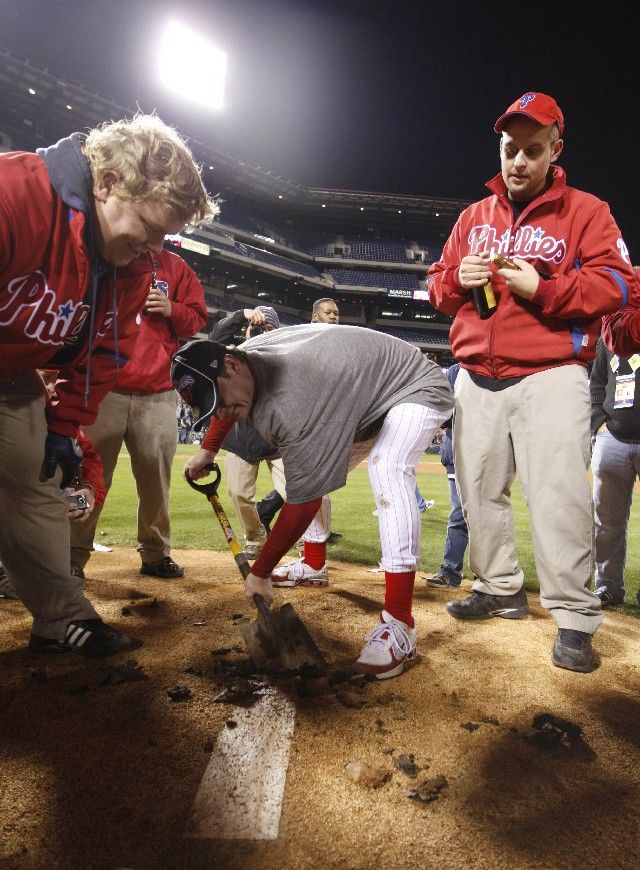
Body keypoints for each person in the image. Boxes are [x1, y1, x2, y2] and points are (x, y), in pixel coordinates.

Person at [428, 91, 634, 673]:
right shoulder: (473, 217)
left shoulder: (588, 212)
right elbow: (437, 288)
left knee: (558, 500)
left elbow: (617, 288)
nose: (518, 162)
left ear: (555, 151)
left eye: (532, 150)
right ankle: (500, 587)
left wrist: (540, 289)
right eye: (510, 149)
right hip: (475, 375)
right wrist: (455, 280)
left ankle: (573, 617)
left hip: (551, 374)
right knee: (477, 493)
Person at [0, 113, 214, 657]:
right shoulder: (14, 194)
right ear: (108, 183)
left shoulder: (130, 264)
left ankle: (58, 619)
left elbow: (102, 352)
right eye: (150, 227)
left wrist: (65, 425)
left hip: (10, 374)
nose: (155, 249)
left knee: (34, 481)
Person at [178, 326, 453, 679]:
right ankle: (313, 566)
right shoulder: (241, 361)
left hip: (412, 384)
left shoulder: (294, 397)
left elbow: (304, 501)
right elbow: (228, 408)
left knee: (388, 468)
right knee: (307, 471)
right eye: (215, 407)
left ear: (231, 365)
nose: (226, 411)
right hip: (359, 399)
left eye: (222, 399)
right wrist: (208, 448)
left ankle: (400, 623)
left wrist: (260, 571)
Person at [69, 248, 208, 580]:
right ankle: (71, 554)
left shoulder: (177, 267)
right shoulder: (112, 256)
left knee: (155, 482)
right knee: (89, 477)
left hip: (158, 392)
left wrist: (172, 308)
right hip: (104, 387)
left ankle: (156, 552)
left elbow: (198, 318)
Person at [269, 297, 341, 586]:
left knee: (315, 487)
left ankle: (314, 563)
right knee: (315, 489)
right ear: (314, 317)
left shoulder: (345, 344)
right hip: (313, 424)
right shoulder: (302, 342)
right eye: (328, 312)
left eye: (337, 313)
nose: (334, 316)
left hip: (332, 423)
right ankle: (314, 562)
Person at [208, 305, 286, 559]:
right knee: (239, 493)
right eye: (258, 328)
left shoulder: (284, 356)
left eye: (269, 328)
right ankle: (255, 537)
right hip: (242, 438)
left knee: (299, 492)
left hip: (278, 437)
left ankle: (307, 543)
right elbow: (215, 340)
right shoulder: (235, 357)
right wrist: (242, 315)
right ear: (248, 331)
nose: (263, 333)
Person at [424, 363, 468, 588]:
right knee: (458, 515)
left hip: (489, 452)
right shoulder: (455, 371)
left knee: (489, 517)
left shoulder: (496, 366)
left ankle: (492, 580)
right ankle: (450, 571)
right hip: (457, 452)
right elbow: (444, 411)